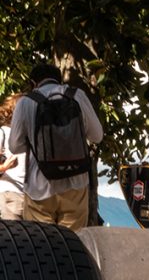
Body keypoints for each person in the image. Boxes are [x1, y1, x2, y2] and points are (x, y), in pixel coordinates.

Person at [9, 64, 103, 231]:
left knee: (41, 246)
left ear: (33, 82)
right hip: (76, 183)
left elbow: (15, 146)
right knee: (72, 244)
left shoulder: (26, 102)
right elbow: (97, 136)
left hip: (39, 186)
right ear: (59, 80)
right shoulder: (77, 96)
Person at [0, 94, 25, 219]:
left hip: (32, 196)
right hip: (11, 193)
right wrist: (4, 167)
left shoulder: (30, 133)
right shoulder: (3, 132)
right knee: (15, 236)